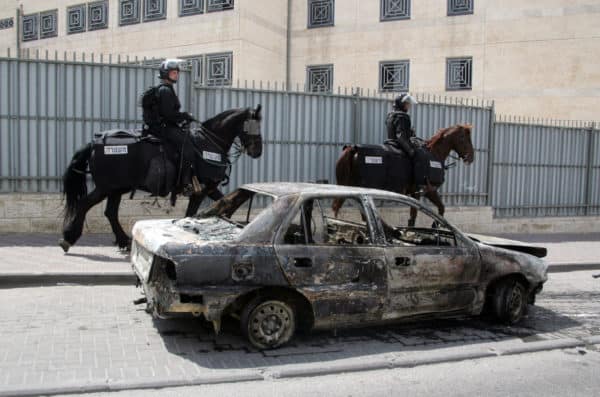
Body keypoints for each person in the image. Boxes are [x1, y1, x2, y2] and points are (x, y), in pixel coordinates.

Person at [145, 59, 197, 192]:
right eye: (173, 73)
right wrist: (185, 116)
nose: (176, 75)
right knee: (188, 146)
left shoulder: (166, 89)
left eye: (177, 73)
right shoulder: (166, 91)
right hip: (163, 128)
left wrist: (182, 117)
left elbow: (169, 114)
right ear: (165, 73)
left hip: (163, 126)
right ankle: (184, 183)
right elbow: (168, 115)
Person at [385, 93, 418, 158]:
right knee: (420, 156)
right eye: (407, 103)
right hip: (399, 146)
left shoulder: (391, 115)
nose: (409, 106)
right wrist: (411, 151)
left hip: (390, 144)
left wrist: (410, 132)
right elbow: (400, 136)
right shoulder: (402, 116)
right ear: (402, 104)